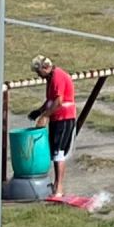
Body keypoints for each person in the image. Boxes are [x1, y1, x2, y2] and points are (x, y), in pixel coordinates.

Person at [29, 55, 77, 197]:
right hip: (57, 118)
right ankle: (56, 185)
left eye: (39, 72)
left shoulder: (57, 77)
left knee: (58, 153)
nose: (38, 76)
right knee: (54, 151)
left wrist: (45, 116)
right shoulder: (50, 79)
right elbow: (50, 101)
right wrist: (39, 111)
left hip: (65, 118)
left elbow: (58, 102)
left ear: (45, 68)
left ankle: (59, 187)